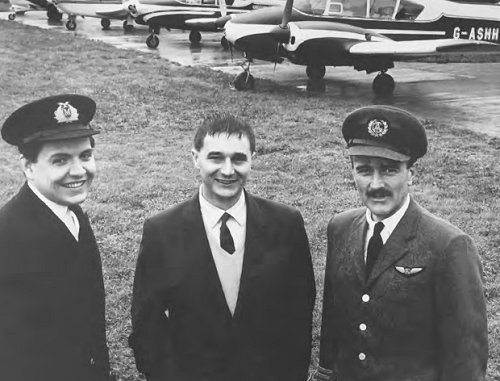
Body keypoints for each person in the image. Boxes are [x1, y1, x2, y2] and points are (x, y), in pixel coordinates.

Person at [129, 112, 316, 381]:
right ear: (195, 158)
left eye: (238, 158)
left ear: (253, 157)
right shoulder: (162, 231)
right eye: (215, 157)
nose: (228, 171)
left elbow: (299, 310)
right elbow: (147, 320)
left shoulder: (286, 225)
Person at [315, 105, 488, 381]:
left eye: (389, 170)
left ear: (410, 174)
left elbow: (465, 360)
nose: (375, 184)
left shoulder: (448, 246)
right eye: (363, 170)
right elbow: (333, 328)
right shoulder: (341, 228)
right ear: (351, 172)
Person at [0, 95, 113, 381]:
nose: (78, 171)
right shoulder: (8, 236)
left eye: (85, 156)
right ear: (28, 167)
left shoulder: (73, 214)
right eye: (60, 159)